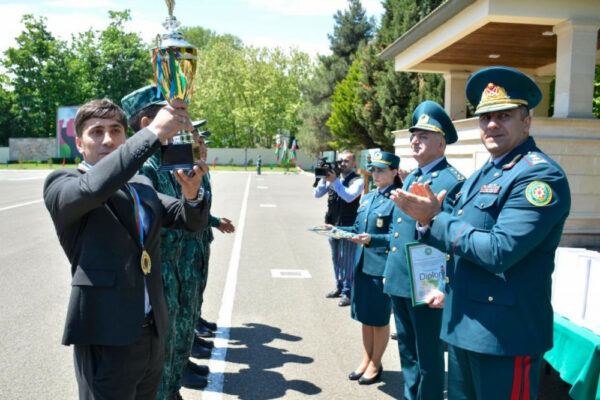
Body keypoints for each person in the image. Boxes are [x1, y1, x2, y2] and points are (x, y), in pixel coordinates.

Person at [391, 66, 571, 400]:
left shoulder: (539, 178)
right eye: (485, 117)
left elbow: (498, 250)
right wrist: (429, 228)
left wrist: (435, 218)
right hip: (464, 326)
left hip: (505, 336)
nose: (491, 124)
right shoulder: (482, 175)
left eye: (504, 115)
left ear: (526, 121)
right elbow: (457, 244)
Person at [43, 97, 209, 399]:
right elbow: (93, 188)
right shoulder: (63, 183)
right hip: (106, 335)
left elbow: (188, 219)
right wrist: (153, 134)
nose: (108, 139)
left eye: (116, 131)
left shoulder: (140, 185)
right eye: (96, 132)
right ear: (79, 143)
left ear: (125, 137)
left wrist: (192, 192)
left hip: (151, 332)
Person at [121, 86, 211, 399]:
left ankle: (173, 389)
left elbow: (191, 207)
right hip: (160, 270)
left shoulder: (169, 155)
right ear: (147, 122)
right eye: (167, 115)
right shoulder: (140, 164)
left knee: (179, 337)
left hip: (181, 262)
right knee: (161, 348)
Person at [373, 101, 465, 400]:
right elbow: (400, 233)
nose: (415, 140)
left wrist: (439, 285)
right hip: (402, 277)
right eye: (414, 135)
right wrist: (391, 274)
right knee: (408, 354)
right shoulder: (412, 177)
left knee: (428, 356)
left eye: (424, 135)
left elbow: (449, 237)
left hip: (428, 280)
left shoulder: (452, 182)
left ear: (442, 142)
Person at [333, 151, 401, 385]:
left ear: (394, 172)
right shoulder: (370, 197)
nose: (376, 173)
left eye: (382, 169)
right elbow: (357, 227)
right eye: (374, 169)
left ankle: (376, 363)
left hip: (381, 266)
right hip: (361, 263)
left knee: (379, 318)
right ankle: (366, 359)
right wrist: (337, 230)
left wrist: (371, 239)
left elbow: (397, 236)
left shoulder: (397, 199)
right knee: (365, 316)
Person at [314, 150, 364, 306]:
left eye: (347, 161)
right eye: (340, 161)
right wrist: (324, 178)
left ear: (354, 163)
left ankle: (348, 292)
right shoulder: (333, 179)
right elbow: (317, 194)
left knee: (347, 259)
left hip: (348, 225)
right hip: (332, 224)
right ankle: (339, 286)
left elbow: (349, 196)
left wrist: (335, 181)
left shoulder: (357, 180)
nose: (342, 164)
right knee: (336, 258)